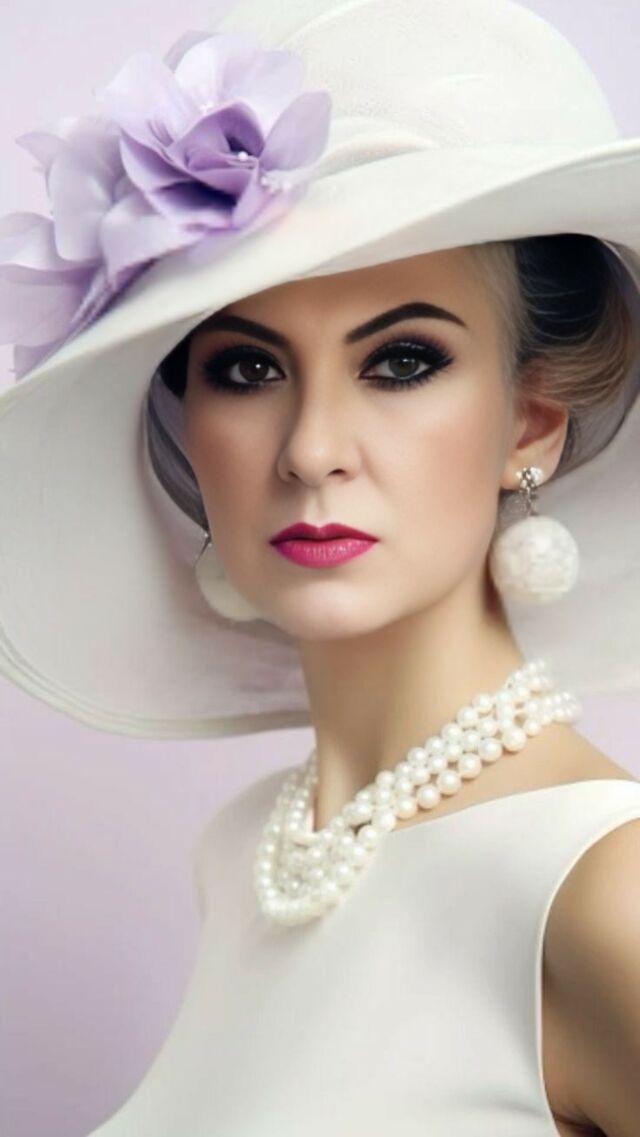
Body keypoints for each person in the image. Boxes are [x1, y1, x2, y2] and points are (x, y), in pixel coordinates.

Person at [1, 0, 640, 1133]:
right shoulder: (251, 853)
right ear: (187, 426)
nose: (309, 450)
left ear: (531, 422)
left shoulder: (599, 890)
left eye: (402, 360)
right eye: (247, 369)